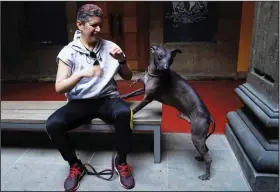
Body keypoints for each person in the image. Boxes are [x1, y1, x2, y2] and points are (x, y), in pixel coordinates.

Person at [45, 4, 135, 191]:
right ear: (80, 25)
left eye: (100, 25)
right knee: (53, 124)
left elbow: (128, 76)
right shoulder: (68, 52)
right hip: (80, 102)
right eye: (94, 25)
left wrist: (123, 61)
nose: (99, 29)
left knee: (124, 113)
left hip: (107, 99)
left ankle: (122, 162)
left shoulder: (111, 47)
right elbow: (59, 87)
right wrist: (80, 75)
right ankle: (75, 165)